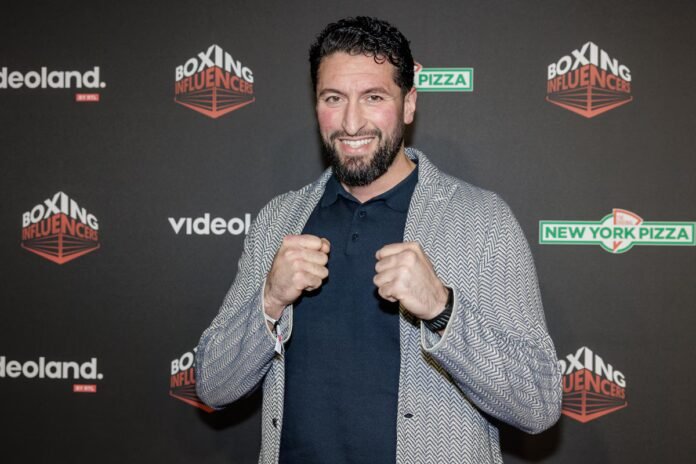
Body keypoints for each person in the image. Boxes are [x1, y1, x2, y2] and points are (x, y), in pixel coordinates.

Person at [196, 16, 561, 464]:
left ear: (409, 104)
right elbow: (213, 386)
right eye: (333, 98)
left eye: (373, 97)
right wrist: (268, 302)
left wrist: (443, 310)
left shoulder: (481, 220)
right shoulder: (279, 220)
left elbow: (538, 403)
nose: (351, 123)